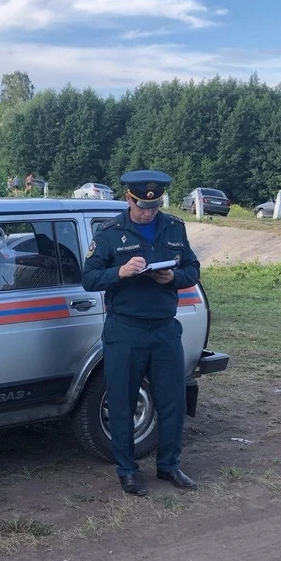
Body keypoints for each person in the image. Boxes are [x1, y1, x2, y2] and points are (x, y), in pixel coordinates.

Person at [82, 169, 201, 497]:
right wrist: (119, 272)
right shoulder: (110, 233)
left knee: (172, 400)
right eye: (141, 206)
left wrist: (173, 277)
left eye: (154, 205)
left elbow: (192, 269)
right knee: (122, 401)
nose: (148, 211)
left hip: (164, 330)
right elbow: (89, 278)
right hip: (126, 330)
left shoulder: (174, 227)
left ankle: (169, 465)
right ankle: (128, 471)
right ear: (128, 199)